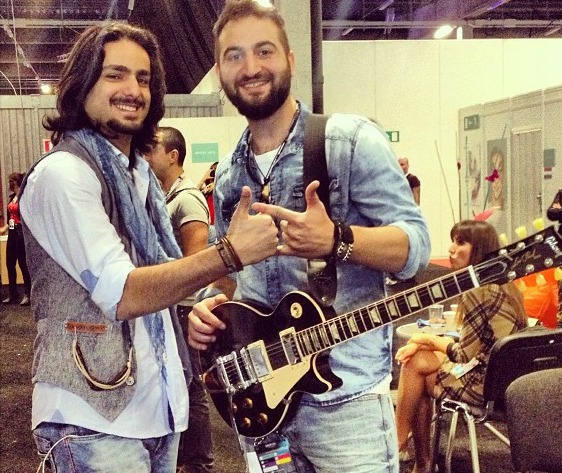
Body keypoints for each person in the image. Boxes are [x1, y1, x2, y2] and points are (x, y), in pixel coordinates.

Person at [18, 22, 279, 473]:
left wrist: (195, 305)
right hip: (93, 418)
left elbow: (160, 279)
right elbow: (122, 292)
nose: (133, 90)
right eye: (115, 74)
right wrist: (229, 253)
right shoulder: (64, 174)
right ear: (83, 84)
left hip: (157, 408)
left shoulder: (138, 175)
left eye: (143, 78)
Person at [188, 2, 431, 472]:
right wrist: (206, 307)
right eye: (235, 55)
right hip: (262, 401)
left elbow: (416, 248)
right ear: (219, 72)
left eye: (264, 51)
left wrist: (338, 239)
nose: (251, 67)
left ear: (290, 59)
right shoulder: (229, 175)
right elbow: (228, 276)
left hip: (346, 404)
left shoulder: (350, 142)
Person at [394, 220, 527, 473]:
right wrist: (425, 344)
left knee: (414, 365)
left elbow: (463, 354)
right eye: (453, 241)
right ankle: (415, 458)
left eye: (461, 242)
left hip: (483, 386)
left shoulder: (479, 289)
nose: (452, 249)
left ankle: (401, 448)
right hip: (505, 382)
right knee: (419, 360)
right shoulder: (506, 283)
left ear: (479, 249)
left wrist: (426, 339)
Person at [145, 126, 215, 473]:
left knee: (191, 386)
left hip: (186, 307)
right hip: (170, 306)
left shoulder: (187, 199)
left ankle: (198, 463)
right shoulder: (163, 197)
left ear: (173, 156)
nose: (145, 154)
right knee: (178, 383)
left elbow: (196, 262)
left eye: (153, 149)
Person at [1, 172, 31, 305]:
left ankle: (28, 293)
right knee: (10, 263)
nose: (11, 184)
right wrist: (5, 228)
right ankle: (12, 294)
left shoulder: (24, 197)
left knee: (23, 263)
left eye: (12, 182)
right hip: (12, 232)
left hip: (21, 232)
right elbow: (10, 219)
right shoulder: (12, 197)